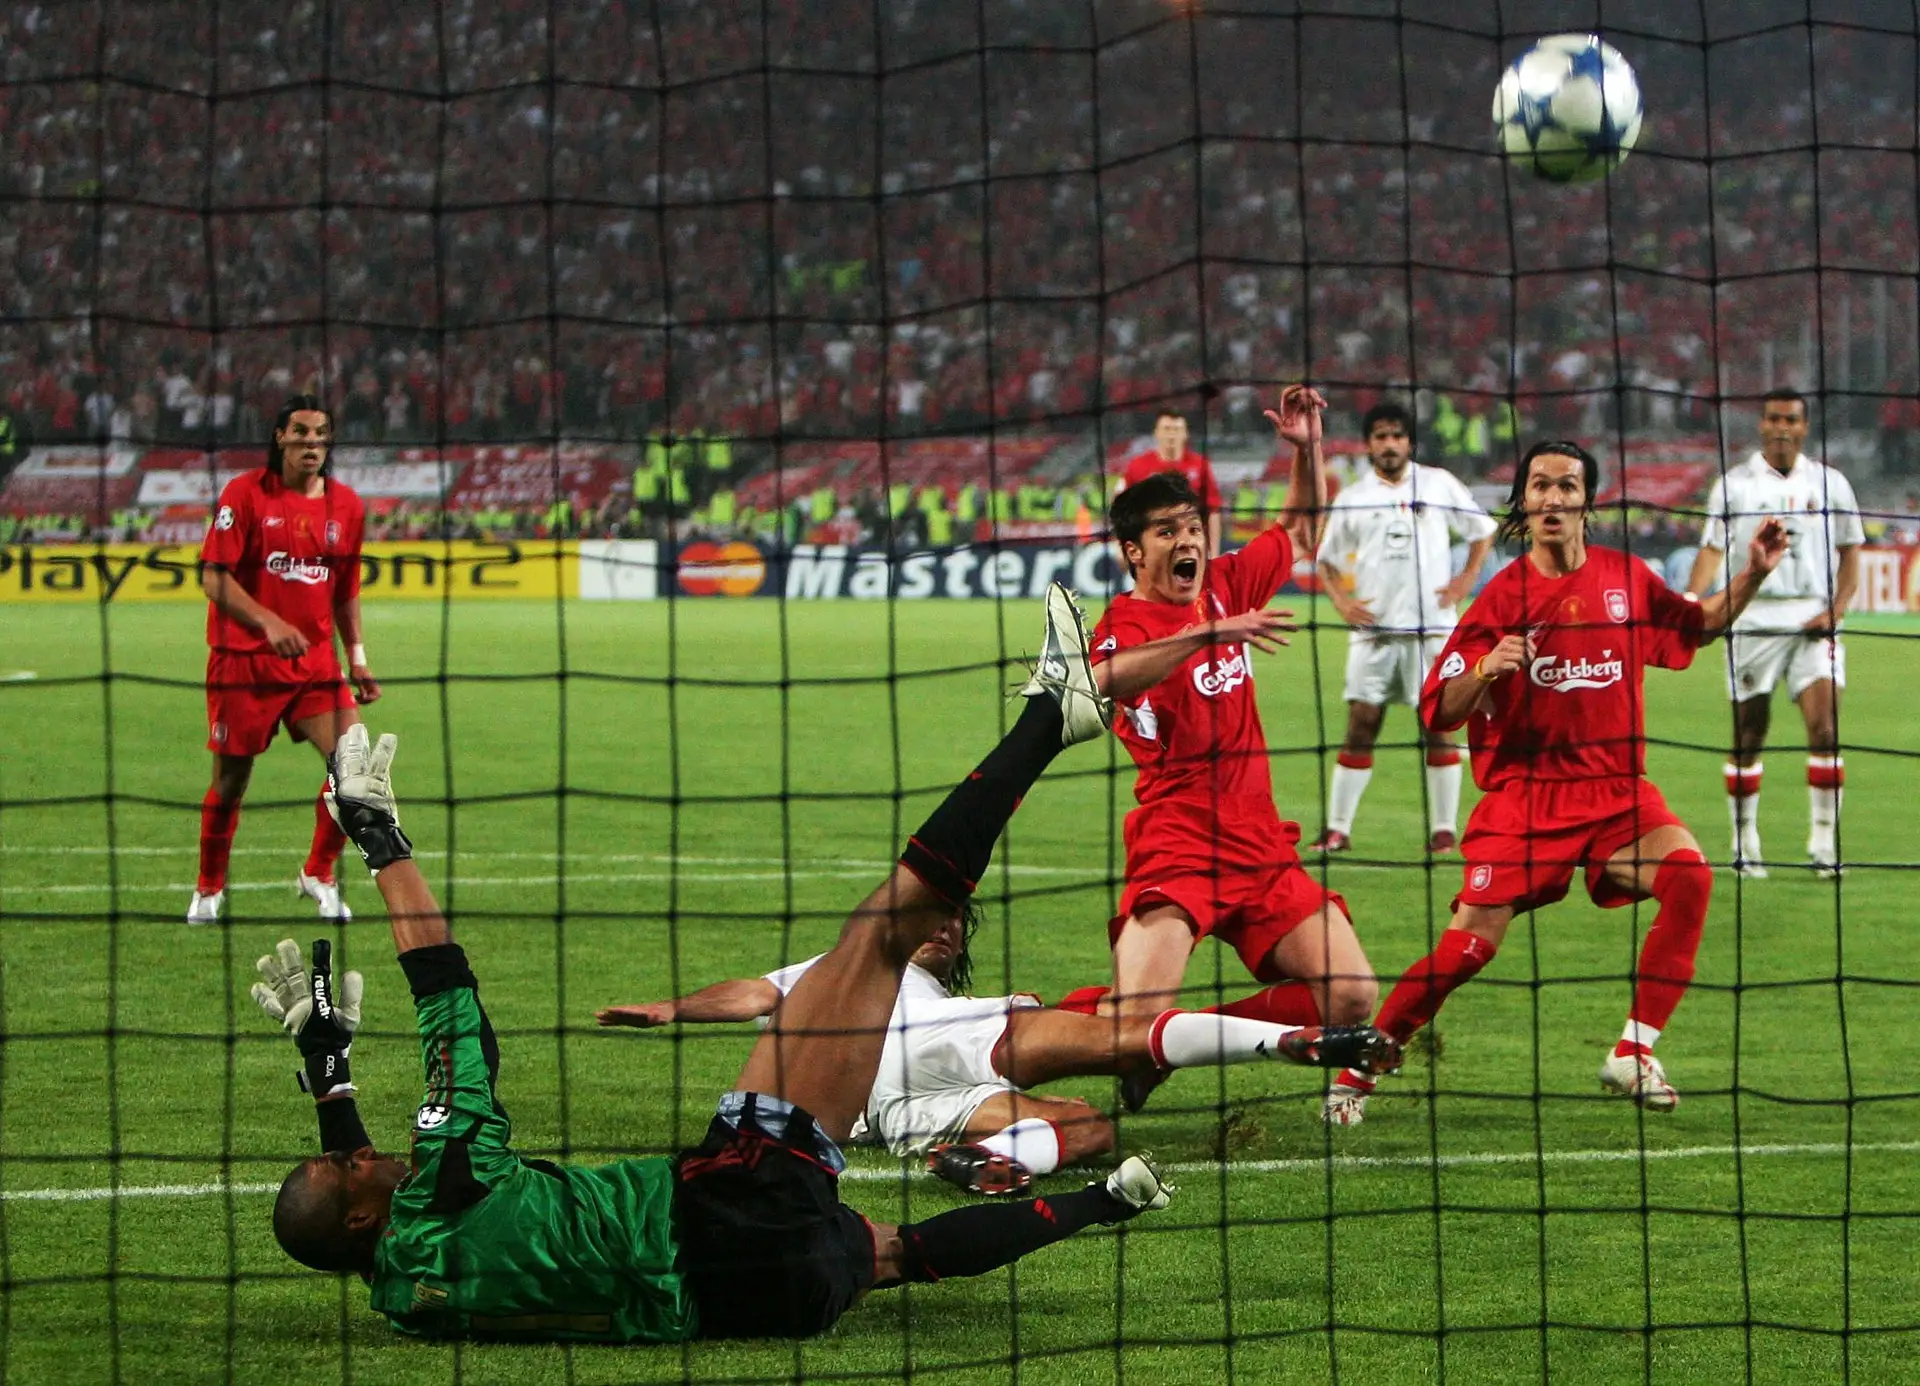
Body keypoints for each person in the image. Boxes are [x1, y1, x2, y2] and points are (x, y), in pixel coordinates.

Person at [255, 588, 1188, 1342]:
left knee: (900, 1253)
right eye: (354, 1168)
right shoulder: (445, 1184)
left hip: (761, 1301)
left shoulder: (401, 1300)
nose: (369, 1156)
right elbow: (452, 1008)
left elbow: (375, 1213)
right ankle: (1050, 717)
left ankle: (1107, 1203)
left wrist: (334, 1088)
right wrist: (381, 843)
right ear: (359, 1218)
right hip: (730, 1206)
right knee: (879, 936)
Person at [1319, 441, 1788, 1125]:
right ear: (1525, 502)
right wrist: (1484, 670)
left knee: (1691, 876)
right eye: (1539, 485)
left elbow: (1701, 624)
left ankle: (1633, 1050)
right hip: (1527, 799)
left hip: (1617, 791)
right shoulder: (1503, 597)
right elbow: (1438, 711)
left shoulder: (1626, 579)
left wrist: (1753, 573)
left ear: (1586, 502)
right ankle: (1360, 1069)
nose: (1552, 497)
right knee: (1465, 952)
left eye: (1566, 485)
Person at [598, 913, 1398, 1198]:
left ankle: (984, 1160)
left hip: (891, 1110)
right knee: (1109, 1034)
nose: (946, 930)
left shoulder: (926, 989)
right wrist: (675, 1008)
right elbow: (752, 993)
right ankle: (1287, 1041)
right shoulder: (854, 966)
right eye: (935, 919)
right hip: (909, 1049)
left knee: (1090, 1131)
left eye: (956, 927)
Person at [1091, 385, 1379, 1114]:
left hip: (1260, 845)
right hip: (1177, 843)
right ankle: (1049, 1027)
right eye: (1166, 532)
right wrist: (1200, 635)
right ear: (1133, 550)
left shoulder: (1226, 583)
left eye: (1193, 526)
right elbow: (1105, 678)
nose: (1188, 540)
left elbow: (1300, 524)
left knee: (1351, 997)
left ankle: (1183, 1042)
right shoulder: (1124, 622)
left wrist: (1308, 449)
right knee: (1128, 1028)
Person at [190, 395, 379, 926]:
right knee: (230, 783)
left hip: (315, 665)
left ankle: (318, 874)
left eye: (321, 434)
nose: (311, 443)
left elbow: (345, 590)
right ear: (280, 438)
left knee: (355, 768)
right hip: (243, 664)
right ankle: (209, 888)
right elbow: (212, 576)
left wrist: (357, 658)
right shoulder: (245, 494)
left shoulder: (347, 507)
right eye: (300, 432)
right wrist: (269, 623)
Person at [1686, 389, 1863, 879]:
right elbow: (1711, 550)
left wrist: (1838, 609)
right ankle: (1746, 843)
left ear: (1804, 427)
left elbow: (1851, 551)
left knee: (1825, 730)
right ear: (1761, 425)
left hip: (1812, 619)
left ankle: (1825, 846)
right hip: (1752, 619)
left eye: (1791, 419)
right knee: (1749, 735)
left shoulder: (1830, 483)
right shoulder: (1733, 486)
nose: (1782, 426)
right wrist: (1691, 602)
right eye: (1773, 418)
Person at [1309, 401, 1496, 855]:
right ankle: (1337, 830)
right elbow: (1326, 560)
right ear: (1368, 444)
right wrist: (1342, 603)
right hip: (1375, 634)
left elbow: (1482, 531)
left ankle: (1444, 833)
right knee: (1361, 724)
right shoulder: (1353, 497)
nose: (1389, 444)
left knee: (1439, 726)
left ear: (1409, 442)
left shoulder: (1437, 484)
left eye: (1397, 435)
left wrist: (1466, 580)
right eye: (1380, 436)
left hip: (1432, 632)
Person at [1119, 409, 1225, 555]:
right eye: (1167, 429)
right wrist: (1121, 546)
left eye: (1177, 429)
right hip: (1150, 549)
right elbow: (1123, 510)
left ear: (1185, 434)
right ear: (1156, 433)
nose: (1171, 435)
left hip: (1190, 546)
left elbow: (1213, 511)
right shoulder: (1138, 467)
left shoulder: (1200, 465)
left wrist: (1214, 553)